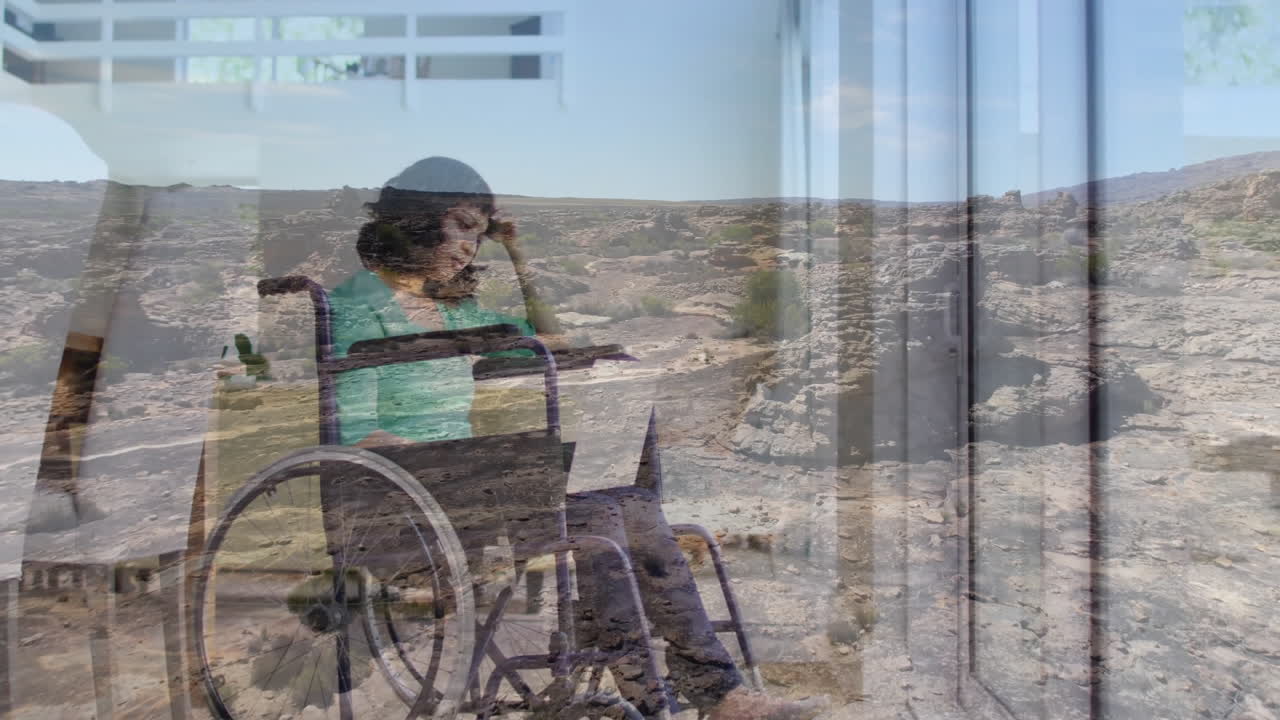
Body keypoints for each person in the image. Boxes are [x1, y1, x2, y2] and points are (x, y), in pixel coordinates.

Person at [326, 157, 829, 720]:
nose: (471, 246)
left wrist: (517, 255)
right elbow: (356, 434)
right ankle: (653, 699)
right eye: (462, 226)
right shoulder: (357, 304)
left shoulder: (452, 310)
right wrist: (451, 469)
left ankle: (718, 693)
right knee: (598, 523)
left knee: (633, 503)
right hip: (406, 504)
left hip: (468, 495)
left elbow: (551, 342)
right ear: (419, 220)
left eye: (480, 233)